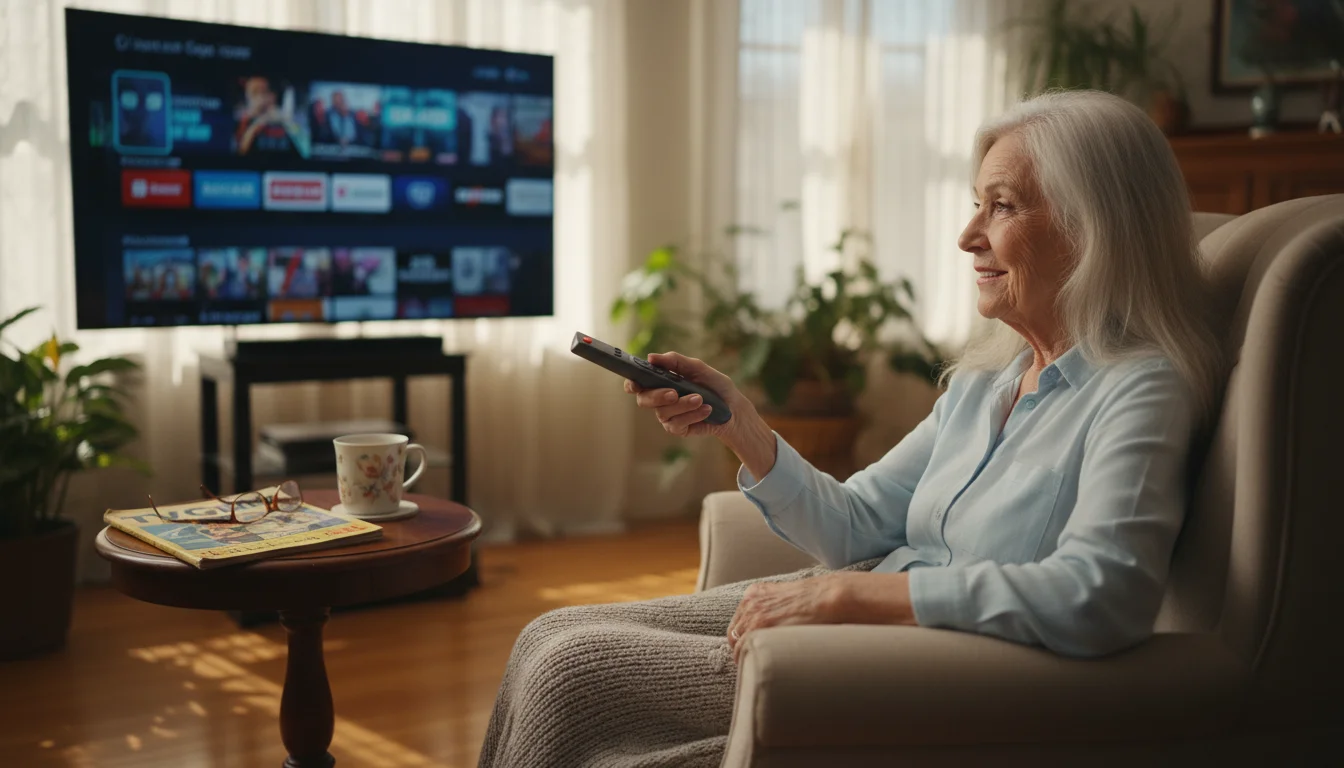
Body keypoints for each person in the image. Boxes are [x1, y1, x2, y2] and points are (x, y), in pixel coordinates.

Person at [478, 90, 1224, 768]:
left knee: (568, 679)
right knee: (549, 634)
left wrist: (846, 601)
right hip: (851, 612)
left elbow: (1104, 593)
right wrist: (742, 422)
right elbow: (857, 521)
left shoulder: (1139, 388)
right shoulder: (983, 386)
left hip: (911, 665)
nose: (968, 236)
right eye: (977, 204)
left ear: (1095, 228)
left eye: (1001, 207)